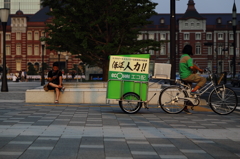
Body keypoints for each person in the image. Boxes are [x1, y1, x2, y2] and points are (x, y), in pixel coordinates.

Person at [179, 44, 207, 114]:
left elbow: (192, 65)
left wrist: (196, 70)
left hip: (183, 76)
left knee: (187, 94)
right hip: (187, 76)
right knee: (203, 79)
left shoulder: (183, 56)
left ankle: (185, 108)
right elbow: (191, 67)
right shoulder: (188, 58)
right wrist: (199, 69)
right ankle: (194, 91)